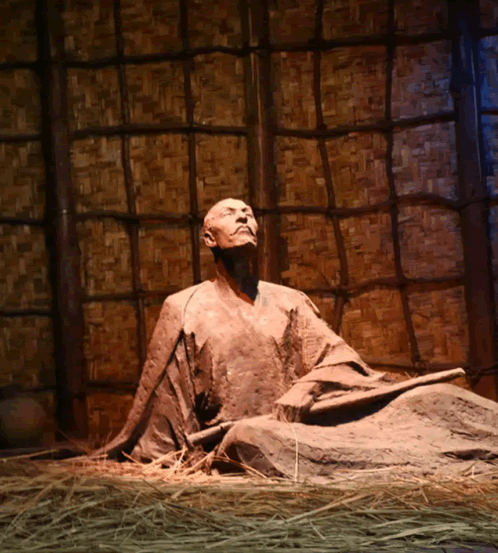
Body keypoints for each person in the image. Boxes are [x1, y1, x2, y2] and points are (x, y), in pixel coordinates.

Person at [99, 198, 498, 478]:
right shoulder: (185, 307)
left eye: (248, 213)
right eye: (230, 213)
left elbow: (340, 358)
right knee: (253, 438)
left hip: (314, 420)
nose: (243, 218)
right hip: (248, 435)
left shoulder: (288, 301)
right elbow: (169, 412)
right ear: (208, 238)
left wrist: (306, 388)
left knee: (431, 398)